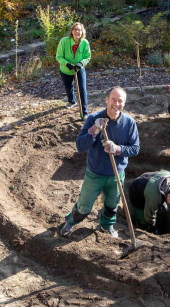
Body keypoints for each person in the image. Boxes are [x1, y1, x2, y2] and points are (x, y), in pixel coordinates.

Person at [59, 87, 139, 238]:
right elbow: (80, 146)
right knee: (84, 207)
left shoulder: (129, 123)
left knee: (112, 205)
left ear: (124, 102)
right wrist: (94, 129)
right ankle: (70, 222)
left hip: (116, 174)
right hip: (95, 173)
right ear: (106, 100)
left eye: (120, 100)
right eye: (114, 99)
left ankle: (106, 227)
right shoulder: (93, 119)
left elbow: (135, 148)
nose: (117, 103)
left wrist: (117, 149)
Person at [55, 22, 91, 117]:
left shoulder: (85, 43)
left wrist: (81, 63)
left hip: (79, 69)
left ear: (82, 31)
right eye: (75, 29)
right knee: (69, 87)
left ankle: (84, 112)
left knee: (82, 89)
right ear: (72, 31)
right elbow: (59, 56)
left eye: (79, 30)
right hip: (66, 69)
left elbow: (87, 57)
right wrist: (67, 64)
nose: (77, 31)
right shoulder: (64, 41)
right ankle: (72, 101)